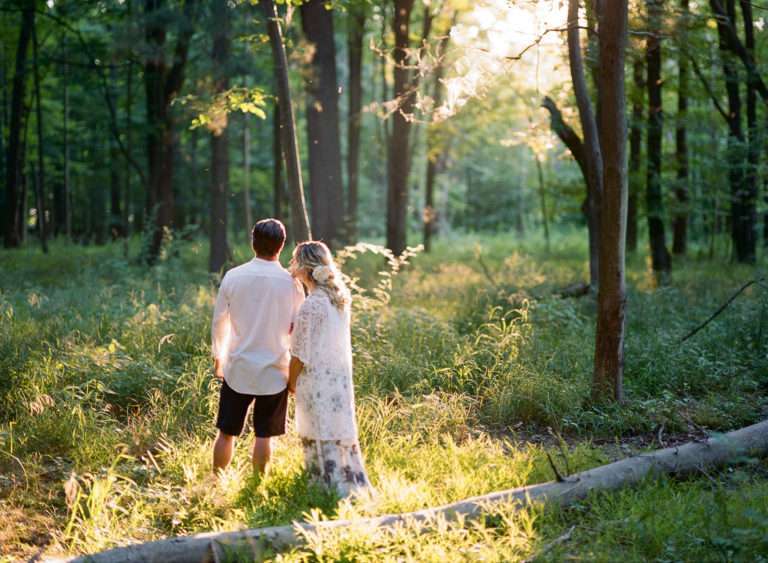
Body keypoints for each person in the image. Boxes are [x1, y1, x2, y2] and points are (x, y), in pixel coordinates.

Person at [210, 218, 304, 475]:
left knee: (226, 433)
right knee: (264, 435)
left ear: (253, 242)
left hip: (238, 365)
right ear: (281, 245)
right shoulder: (292, 283)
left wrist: (219, 357)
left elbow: (219, 321)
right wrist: (294, 373)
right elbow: (298, 330)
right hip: (275, 369)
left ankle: (216, 482)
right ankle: (256, 484)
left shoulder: (234, 276)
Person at [288, 241, 374, 498]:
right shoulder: (338, 299)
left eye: (294, 261)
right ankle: (345, 478)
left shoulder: (312, 305)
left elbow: (300, 354)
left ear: (305, 268)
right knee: (336, 426)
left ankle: (327, 486)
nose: (291, 267)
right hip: (338, 378)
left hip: (317, 379)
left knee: (319, 428)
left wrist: (291, 383)